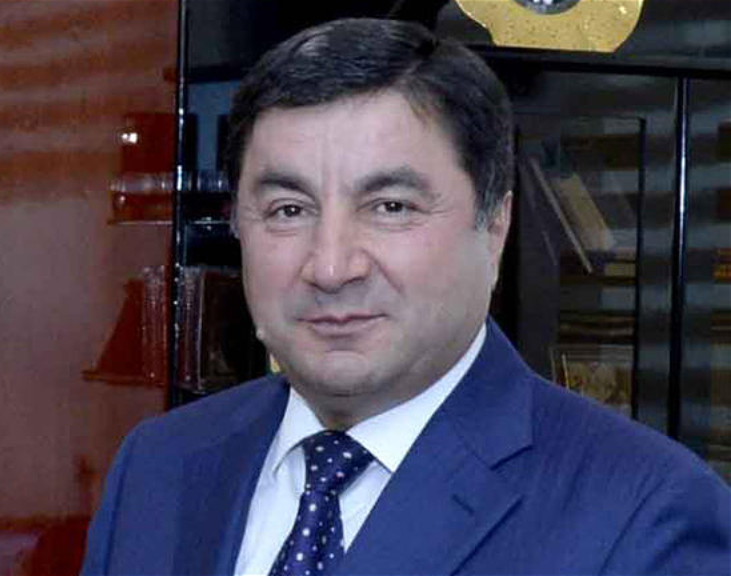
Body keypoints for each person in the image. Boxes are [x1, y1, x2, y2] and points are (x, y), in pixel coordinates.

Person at [81, 18, 730, 576]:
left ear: (494, 225)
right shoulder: (158, 466)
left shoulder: (645, 514)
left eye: (390, 206)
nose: (331, 267)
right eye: (288, 209)